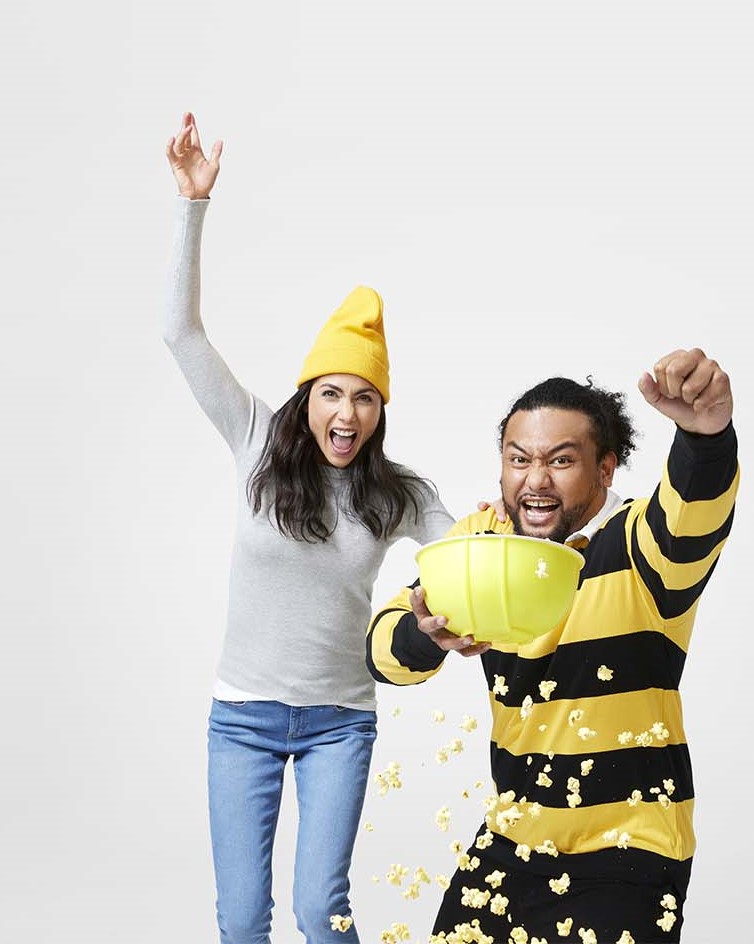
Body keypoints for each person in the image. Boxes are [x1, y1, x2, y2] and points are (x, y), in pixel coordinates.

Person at [163, 112, 455, 944]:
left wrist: (478, 596)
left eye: (365, 397)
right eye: (333, 392)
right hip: (242, 718)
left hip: (339, 720)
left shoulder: (396, 491)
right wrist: (193, 206)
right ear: (306, 399)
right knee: (243, 920)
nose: (348, 411)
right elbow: (179, 334)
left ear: (378, 412)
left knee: (321, 915)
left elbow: (463, 551)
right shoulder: (254, 438)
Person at [367, 351, 739, 943]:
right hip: (513, 837)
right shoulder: (483, 543)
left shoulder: (643, 548)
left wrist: (705, 435)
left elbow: (695, 509)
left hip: (627, 850)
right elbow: (382, 650)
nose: (535, 480)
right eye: (519, 460)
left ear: (607, 469)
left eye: (561, 461)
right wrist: (423, 633)